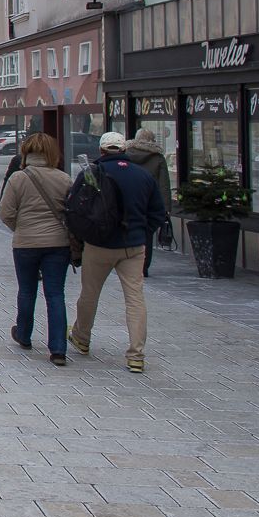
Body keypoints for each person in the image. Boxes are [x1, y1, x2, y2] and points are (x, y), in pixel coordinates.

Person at [70, 131, 168, 374]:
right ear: (124, 149)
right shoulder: (143, 175)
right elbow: (158, 212)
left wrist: (83, 238)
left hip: (99, 245)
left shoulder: (92, 173)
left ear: (102, 151)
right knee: (135, 299)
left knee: (90, 294)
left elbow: (75, 209)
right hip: (133, 246)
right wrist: (142, 232)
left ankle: (82, 338)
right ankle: (136, 355)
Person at [0, 133, 72, 366]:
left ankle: (24, 334)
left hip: (26, 244)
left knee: (27, 290)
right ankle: (58, 349)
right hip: (58, 244)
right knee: (55, 294)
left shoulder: (18, 179)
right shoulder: (64, 179)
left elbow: (5, 213)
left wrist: (21, 229)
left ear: (26, 153)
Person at [125, 127, 173, 277]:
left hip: (128, 202)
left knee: (128, 232)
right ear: (152, 140)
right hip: (149, 204)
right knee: (147, 237)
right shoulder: (158, 158)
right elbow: (164, 185)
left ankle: (128, 264)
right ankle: (143, 267)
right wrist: (166, 208)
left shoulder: (126, 154)